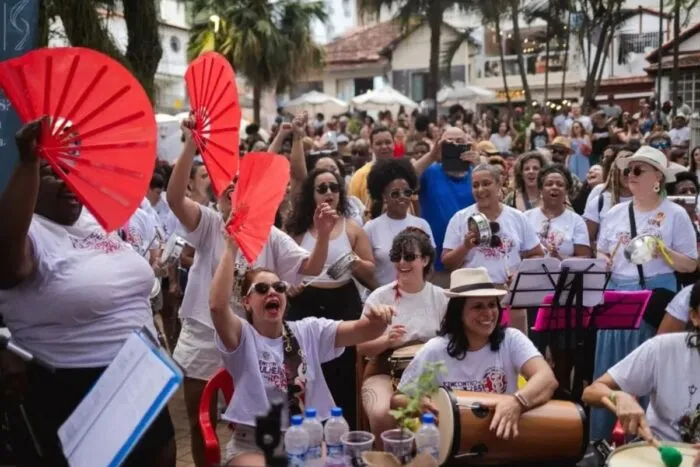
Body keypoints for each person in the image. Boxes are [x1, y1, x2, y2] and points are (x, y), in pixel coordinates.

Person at [0, 118, 176, 465]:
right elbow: (8, 267)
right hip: (75, 390)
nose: (69, 182)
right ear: (30, 180)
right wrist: (28, 161)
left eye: (73, 170)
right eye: (54, 173)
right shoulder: (26, 233)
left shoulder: (94, 221)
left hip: (139, 376)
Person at [166, 119, 332, 467]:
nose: (233, 189)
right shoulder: (209, 224)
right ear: (217, 196)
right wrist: (191, 144)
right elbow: (174, 198)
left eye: (240, 184)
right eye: (226, 186)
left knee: (249, 422)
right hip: (202, 333)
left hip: (248, 342)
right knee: (200, 420)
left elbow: (312, 266)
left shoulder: (270, 235)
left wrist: (324, 235)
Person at [210, 241, 395, 466]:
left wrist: (378, 320)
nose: (272, 292)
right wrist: (230, 247)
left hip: (306, 439)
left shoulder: (308, 331)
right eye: (262, 289)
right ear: (246, 302)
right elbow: (217, 308)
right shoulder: (242, 336)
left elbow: (362, 330)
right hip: (254, 444)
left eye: (279, 287)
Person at [591, 146, 699, 440]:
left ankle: (644, 439)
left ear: (657, 178)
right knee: (611, 364)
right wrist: (604, 260)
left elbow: (691, 264)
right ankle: (604, 440)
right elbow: (602, 251)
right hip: (616, 295)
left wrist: (662, 251)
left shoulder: (675, 214)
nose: (630, 175)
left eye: (638, 170)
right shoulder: (615, 212)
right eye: (629, 170)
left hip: (654, 297)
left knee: (648, 365)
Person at [391, 268, 558, 440]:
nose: (488, 313)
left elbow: (547, 378)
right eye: (478, 306)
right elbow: (398, 399)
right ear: (458, 312)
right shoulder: (435, 350)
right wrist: (418, 404)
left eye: (492, 305)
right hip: (454, 444)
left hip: (504, 440)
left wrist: (517, 402)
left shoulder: (511, 339)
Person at [285, 168, 376, 428]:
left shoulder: (352, 228)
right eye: (322, 188)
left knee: (344, 371)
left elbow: (371, 270)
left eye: (334, 187)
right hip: (304, 303)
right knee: (306, 370)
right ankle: (306, 430)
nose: (329, 193)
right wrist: (289, 286)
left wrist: (354, 261)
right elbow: (281, 268)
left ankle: (346, 431)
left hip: (343, 302)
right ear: (311, 194)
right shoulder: (297, 229)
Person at [582, 279, 700, 459]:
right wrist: (617, 396)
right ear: (694, 316)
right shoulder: (663, 349)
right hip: (660, 454)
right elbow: (591, 392)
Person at [358, 228, 448, 445]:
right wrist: (387, 341)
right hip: (385, 370)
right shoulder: (380, 296)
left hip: (430, 373)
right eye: (396, 256)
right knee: (381, 413)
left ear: (425, 260)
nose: (402, 262)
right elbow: (361, 347)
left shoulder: (440, 297)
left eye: (409, 257)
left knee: (446, 410)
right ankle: (389, 459)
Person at [442, 164, 544, 333]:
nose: (480, 190)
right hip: (473, 297)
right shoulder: (460, 218)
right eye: (475, 185)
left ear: (499, 183)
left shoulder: (517, 217)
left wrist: (520, 273)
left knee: (513, 345)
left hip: (509, 296)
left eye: (486, 183)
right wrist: (465, 247)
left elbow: (537, 254)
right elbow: (447, 263)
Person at [365, 158, 434, 286]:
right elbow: (366, 273)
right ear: (384, 196)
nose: (402, 197)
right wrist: (382, 294)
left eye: (407, 192)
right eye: (395, 194)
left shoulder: (422, 225)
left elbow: (430, 266)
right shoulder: (370, 228)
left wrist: (416, 289)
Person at [524, 166, 591, 260]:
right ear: (540, 190)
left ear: (566, 191)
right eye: (549, 184)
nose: (554, 187)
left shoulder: (576, 221)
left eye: (560, 185)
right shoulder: (525, 217)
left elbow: (584, 257)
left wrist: (560, 258)